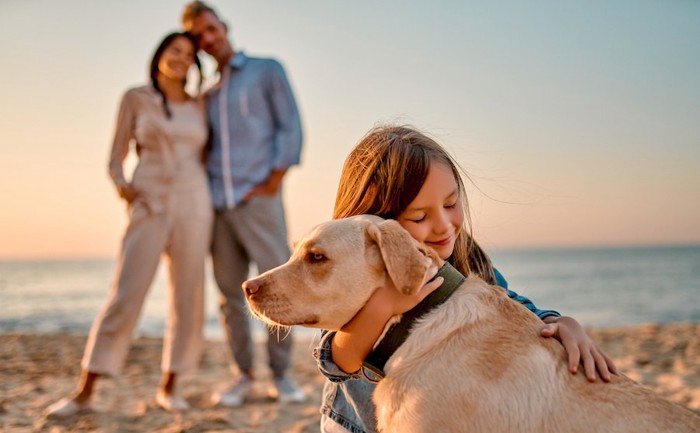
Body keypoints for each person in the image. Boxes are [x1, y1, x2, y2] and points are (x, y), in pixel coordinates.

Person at [315, 125, 618, 433]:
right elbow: (339, 362)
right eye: (420, 217)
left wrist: (561, 322)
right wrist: (383, 306)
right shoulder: (357, 273)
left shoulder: (464, 258)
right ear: (376, 221)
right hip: (355, 426)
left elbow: (511, 307)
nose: (444, 227)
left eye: (450, 204)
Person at [45, 31, 213, 417]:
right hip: (150, 200)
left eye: (189, 54)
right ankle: (84, 391)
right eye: (175, 51)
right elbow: (115, 157)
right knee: (126, 292)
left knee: (187, 296)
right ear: (159, 56)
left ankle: (169, 387)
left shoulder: (200, 105)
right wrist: (125, 189)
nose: (182, 58)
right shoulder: (136, 97)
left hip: (194, 203)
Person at [181, 1, 306, 406]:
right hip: (218, 206)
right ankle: (243, 376)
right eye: (200, 36)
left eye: (212, 29)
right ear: (196, 44)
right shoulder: (206, 94)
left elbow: (290, 126)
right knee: (229, 295)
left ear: (224, 27)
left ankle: (282, 376)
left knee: (279, 287)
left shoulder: (267, 69)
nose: (209, 38)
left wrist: (273, 181)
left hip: (259, 199)